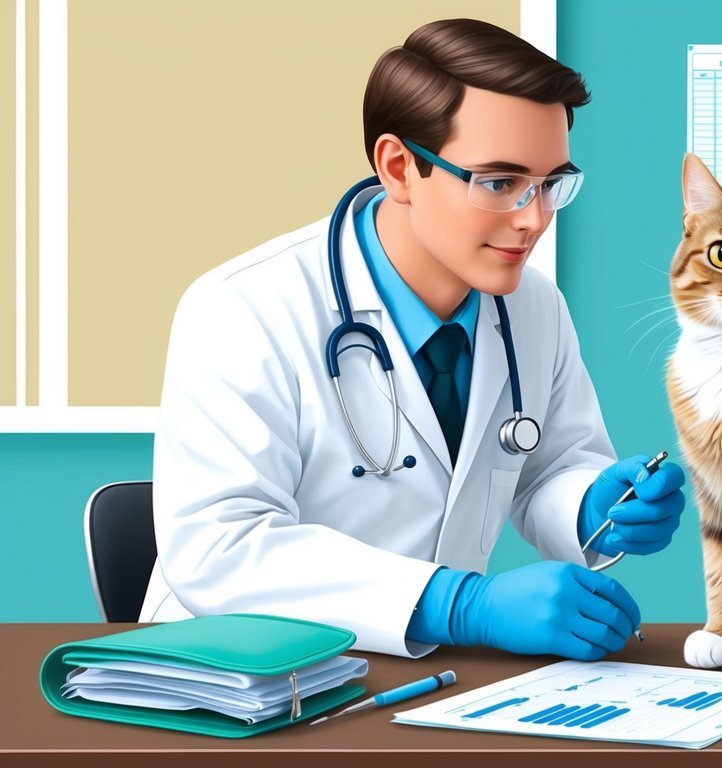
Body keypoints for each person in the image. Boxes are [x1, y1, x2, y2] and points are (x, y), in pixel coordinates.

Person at [140, 18, 686, 660]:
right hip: (238, 681)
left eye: (549, 186)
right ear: (399, 167)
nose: (534, 219)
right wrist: (458, 604)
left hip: (423, 677)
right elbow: (220, 549)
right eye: (499, 183)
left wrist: (593, 503)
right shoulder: (241, 308)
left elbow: (550, 469)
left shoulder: (533, 307)